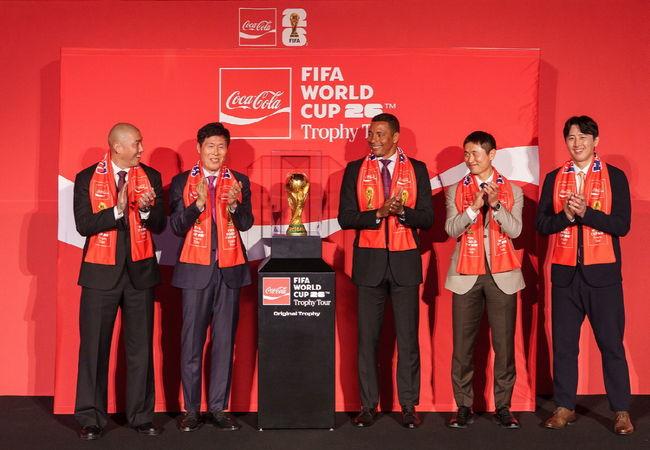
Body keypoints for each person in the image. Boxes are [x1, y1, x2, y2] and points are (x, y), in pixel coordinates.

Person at [537, 115, 633, 435]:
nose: (577, 143)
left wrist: (586, 213)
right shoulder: (554, 178)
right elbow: (542, 225)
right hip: (565, 276)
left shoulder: (614, 176)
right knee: (565, 346)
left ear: (596, 141)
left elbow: (621, 225)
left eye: (583, 137)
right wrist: (566, 215)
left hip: (603, 276)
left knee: (611, 345)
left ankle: (621, 411)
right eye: (571, 138)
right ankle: (565, 407)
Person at [338, 113, 433, 428]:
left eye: (380, 134)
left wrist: (403, 212)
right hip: (369, 265)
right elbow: (345, 217)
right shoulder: (355, 170)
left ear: (395, 136)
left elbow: (428, 218)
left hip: (405, 263)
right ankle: (368, 406)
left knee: (408, 340)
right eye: (370, 134)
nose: (373, 139)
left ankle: (408, 405)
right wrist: (377, 213)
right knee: (367, 340)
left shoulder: (417, 169)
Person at [73, 123, 166, 440]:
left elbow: (160, 223)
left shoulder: (151, 176)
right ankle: (90, 417)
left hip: (140, 273)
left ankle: (141, 416)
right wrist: (118, 210)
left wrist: (147, 210)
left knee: (140, 349)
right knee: (94, 348)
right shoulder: (87, 177)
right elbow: (84, 224)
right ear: (117, 147)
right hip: (100, 274)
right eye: (137, 143)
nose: (142, 149)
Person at [170, 122, 253, 432]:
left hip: (229, 270)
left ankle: (218, 408)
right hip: (195, 270)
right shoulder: (182, 182)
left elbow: (246, 223)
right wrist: (199, 204)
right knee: (191, 342)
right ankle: (191, 410)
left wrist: (235, 204)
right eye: (210, 146)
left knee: (224, 342)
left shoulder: (239, 181)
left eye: (221, 147)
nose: (216, 152)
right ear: (199, 148)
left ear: (227, 150)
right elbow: (176, 226)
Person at [444, 131, 524, 429]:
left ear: (491, 155)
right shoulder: (455, 190)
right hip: (466, 274)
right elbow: (451, 229)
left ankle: (503, 406)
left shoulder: (513, 190)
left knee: (504, 346)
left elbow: (516, 231)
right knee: (462, 348)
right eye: (466, 154)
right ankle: (463, 405)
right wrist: (473, 207)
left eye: (475, 153)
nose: (470, 159)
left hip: (503, 275)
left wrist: (497, 205)